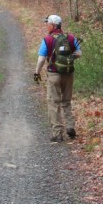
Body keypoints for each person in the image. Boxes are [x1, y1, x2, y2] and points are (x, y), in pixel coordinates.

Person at [34, 14, 82, 142]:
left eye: (47, 24)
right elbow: (79, 53)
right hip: (68, 74)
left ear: (53, 25)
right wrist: (69, 58)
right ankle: (70, 127)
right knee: (66, 101)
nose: (46, 26)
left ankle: (57, 133)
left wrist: (36, 72)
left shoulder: (47, 40)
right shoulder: (70, 38)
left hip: (54, 74)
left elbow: (41, 59)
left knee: (53, 103)